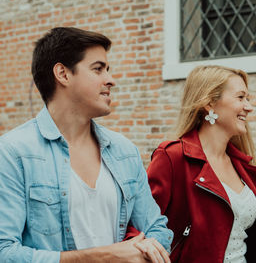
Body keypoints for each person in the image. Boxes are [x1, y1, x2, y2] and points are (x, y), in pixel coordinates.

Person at [0, 27, 172, 263]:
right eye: (98, 69)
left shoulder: (124, 151)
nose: (110, 80)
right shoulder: (13, 152)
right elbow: (5, 252)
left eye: (107, 70)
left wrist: (147, 250)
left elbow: (157, 229)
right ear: (63, 74)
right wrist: (106, 256)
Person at [126, 65, 256, 262]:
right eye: (241, 97)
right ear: (209, 103)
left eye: (248, 99)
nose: (249, 107)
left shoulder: (240, 164)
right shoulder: (173, 157)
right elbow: (137, 224)